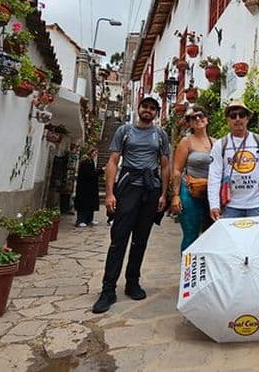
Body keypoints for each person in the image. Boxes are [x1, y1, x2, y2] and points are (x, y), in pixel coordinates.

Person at [92, 94, 170, 314]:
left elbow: (165, 165)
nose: (148, 110)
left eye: (152, 108)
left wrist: (164, 194)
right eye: (145, 106)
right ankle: (108, 289)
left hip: (151, 189)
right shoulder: (124, 131)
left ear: (156, 113)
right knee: (119, 239)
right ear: (138, 108)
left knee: (140, 240)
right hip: (128, 188)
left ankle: (132, 282)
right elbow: (113, 161)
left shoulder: (160, 135)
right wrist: (110, 194)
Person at [208, 100, 259, 220]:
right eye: (233, 116)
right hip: (230, 205)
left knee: (256, 233)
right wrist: (214, 205)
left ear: (247, 118)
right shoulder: (220, 145)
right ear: (228, 120)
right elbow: (214, 176)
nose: (238, 119)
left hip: (256, 204)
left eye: (241, 115)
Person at [170, 106, 215, 251]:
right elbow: (177, 170)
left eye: (201, 115)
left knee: (211, 235)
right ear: (189, 123)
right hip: (189, 191)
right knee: (191, 234)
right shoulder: (186, 142)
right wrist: (175, 196)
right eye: (193, 118)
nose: (198, 119)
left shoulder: (216, 142)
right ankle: (187, 264)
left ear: (207, 119)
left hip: (210, 193)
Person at [75, 147, 102, 227]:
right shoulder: (85, 161)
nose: (95, 154)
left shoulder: (91, 161)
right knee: (84, 204)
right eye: (94, 152)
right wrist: (101, 171)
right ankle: (81, 220)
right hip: (84, 187)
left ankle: (89, 219)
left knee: (90, 203)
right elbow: (89, 174)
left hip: (90, 187)